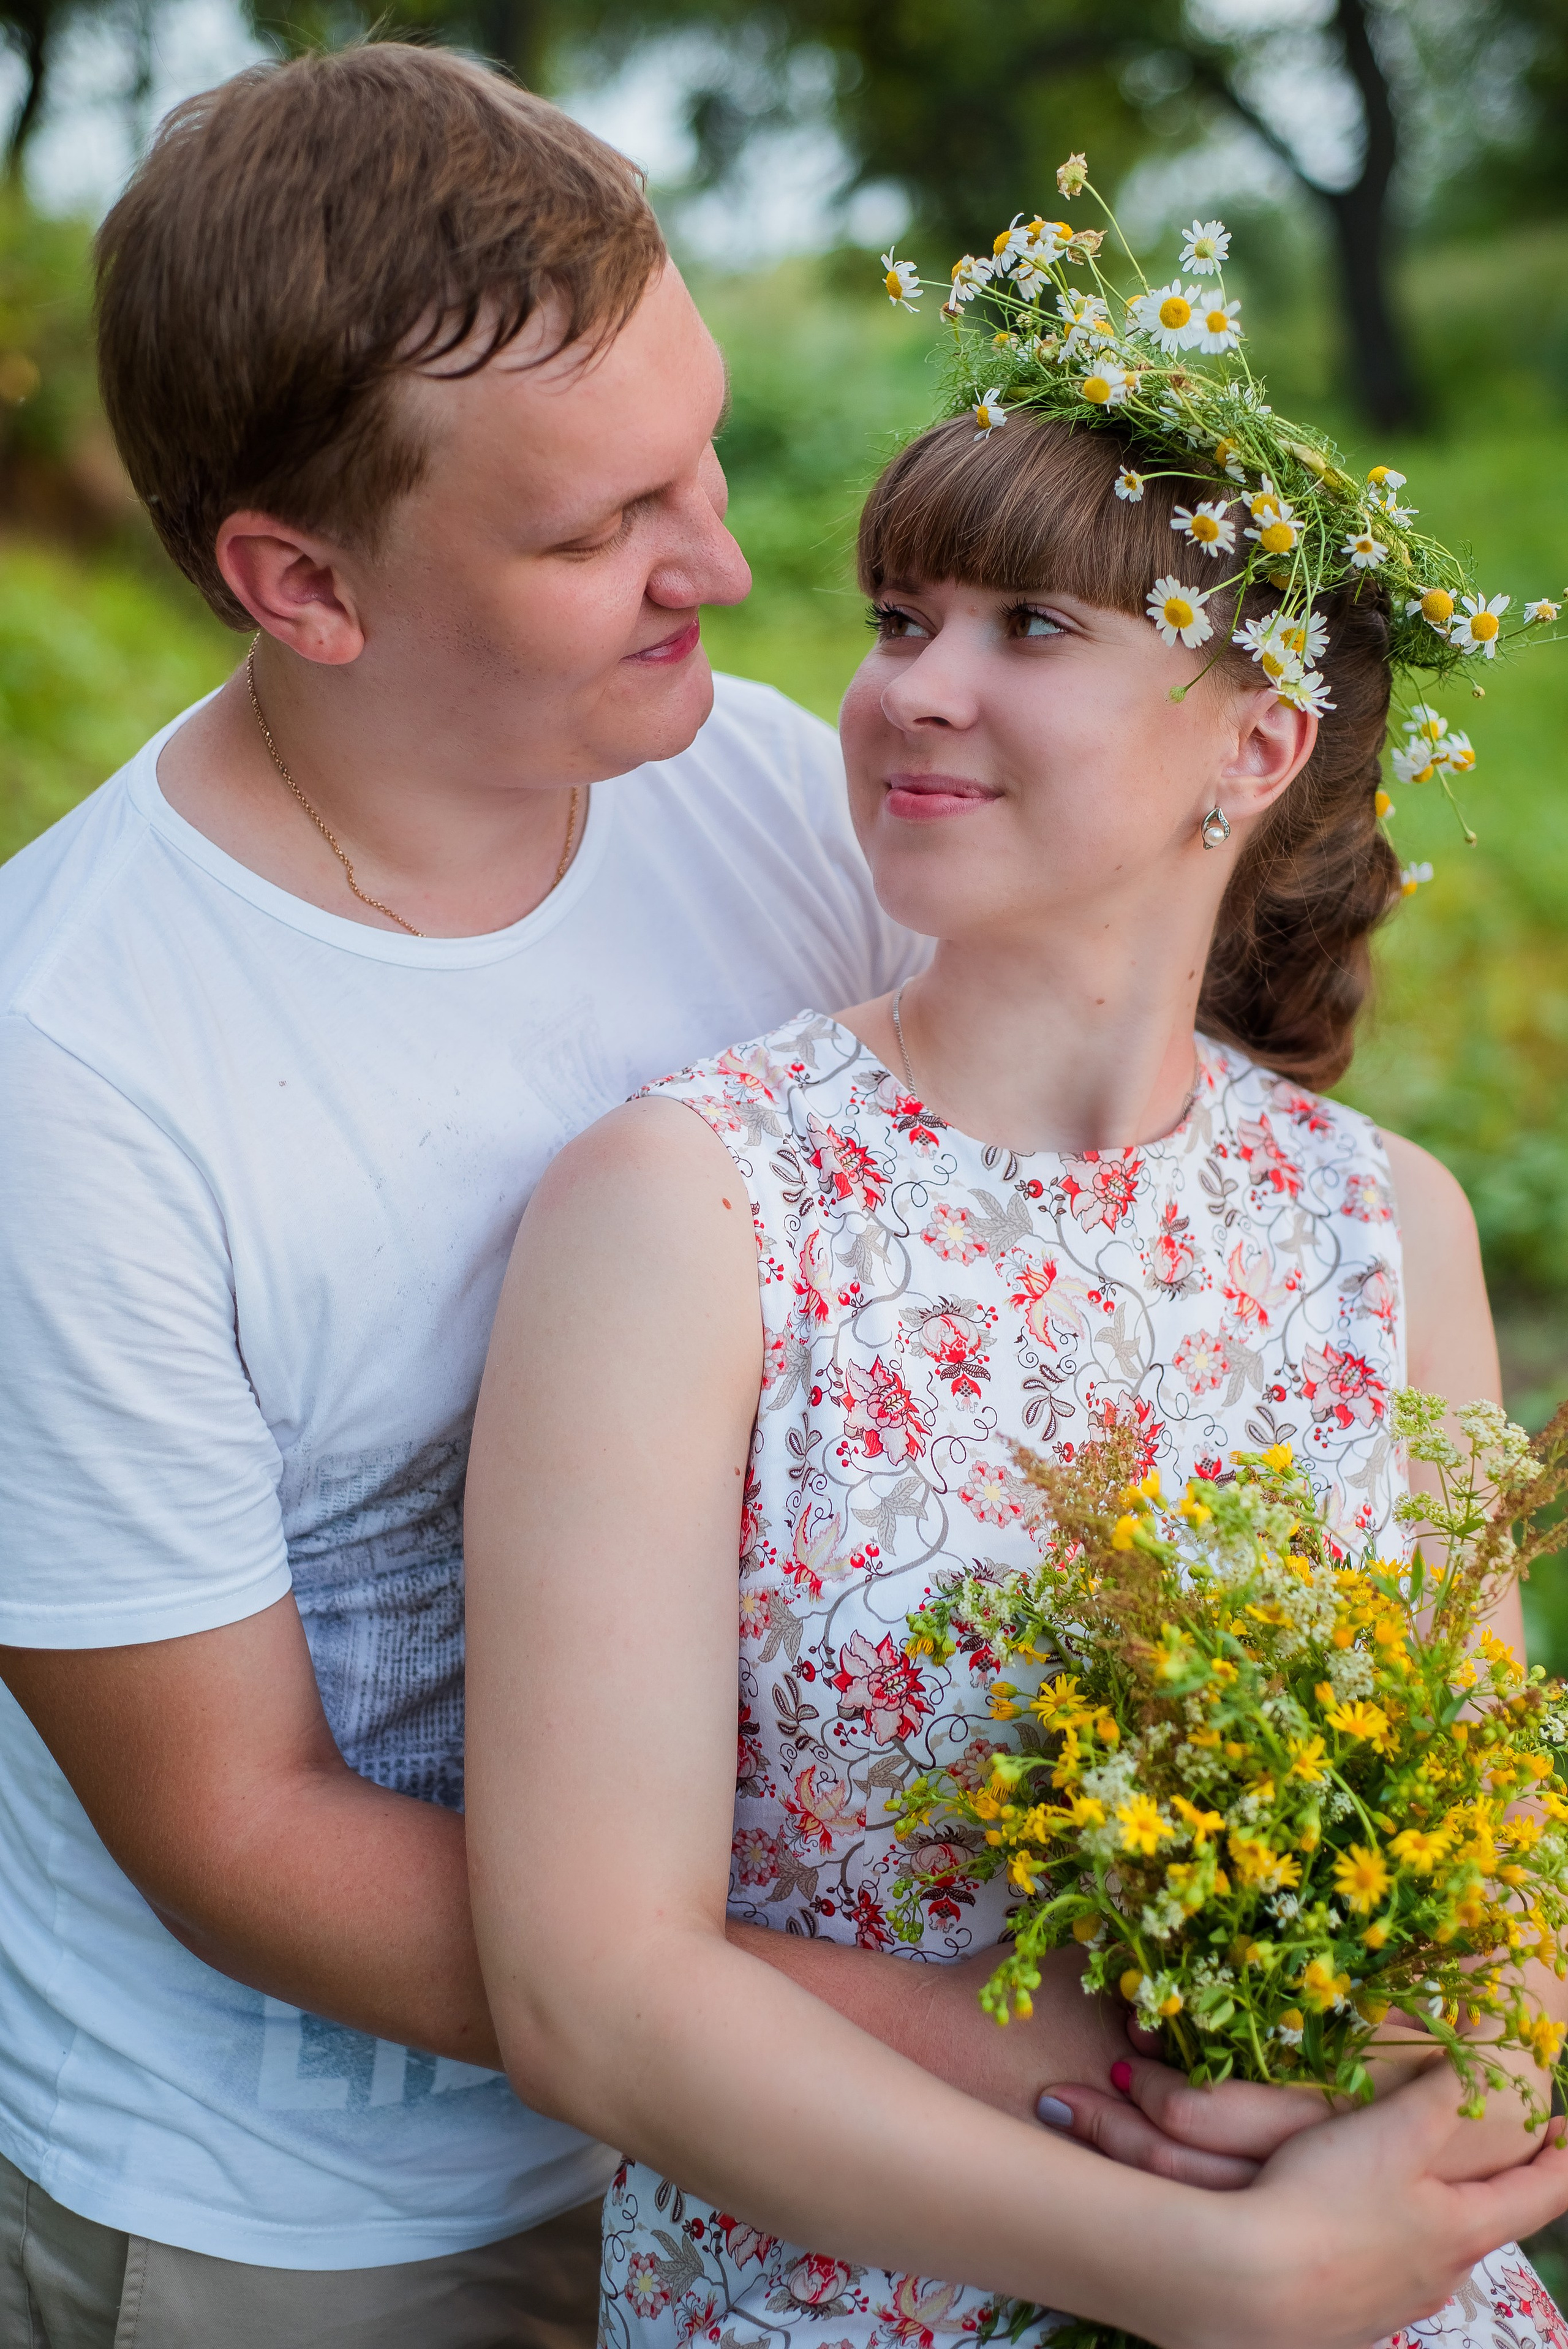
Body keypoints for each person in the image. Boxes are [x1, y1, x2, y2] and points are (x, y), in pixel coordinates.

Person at [0, 43, 1136, 2349]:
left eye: (702, 458)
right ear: (298, 581)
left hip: (797, 2155)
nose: (723, 562)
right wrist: (1007, 2063)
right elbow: (236, 1829)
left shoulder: (764, 789)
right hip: (318, 2210)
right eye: (601, 526)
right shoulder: (72, 1072)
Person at [462, 409, 1568, 2349]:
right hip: (850, 2300)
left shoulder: (1381, 1223)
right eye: (899, 618)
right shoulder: (695, 1205)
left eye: (1031, 628)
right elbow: (592, 2002)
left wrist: (1396, 2079)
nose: (916, 690)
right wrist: (1203, 2268)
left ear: (1261, 740)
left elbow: (1507, 1890)